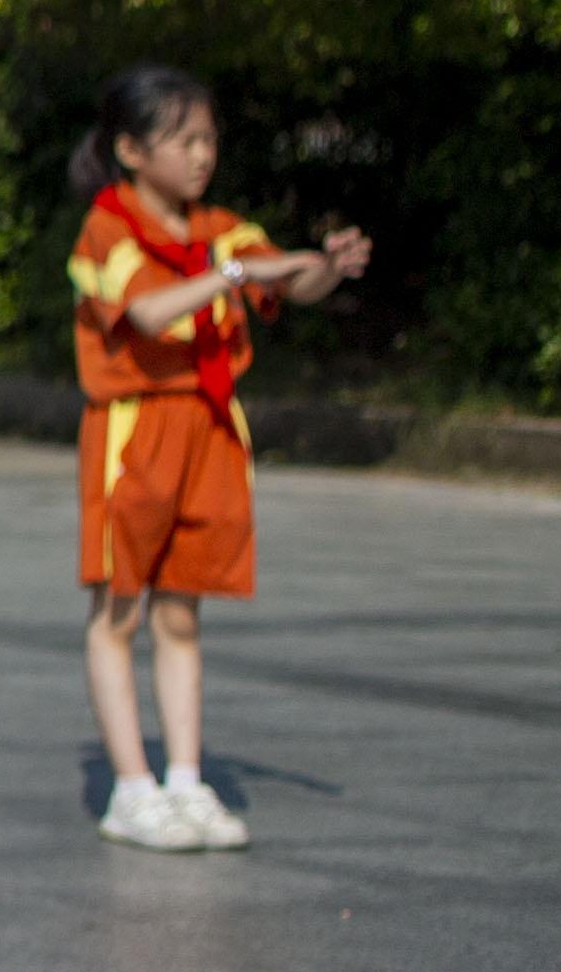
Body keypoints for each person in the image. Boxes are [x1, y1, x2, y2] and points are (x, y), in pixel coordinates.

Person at [69, 64, 364, 855]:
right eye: (184, 140)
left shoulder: (220, 228)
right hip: (137, 432)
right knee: (118, 611)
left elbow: (287, 278)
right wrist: (231, 275)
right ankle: (131, 787)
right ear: (131, 150)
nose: (202, 156)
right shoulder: (109, 229)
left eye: (209, 140)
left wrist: (326, 265)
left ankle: (185, 778)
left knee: (182, 610)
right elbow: (147, 309)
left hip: (209, 432)